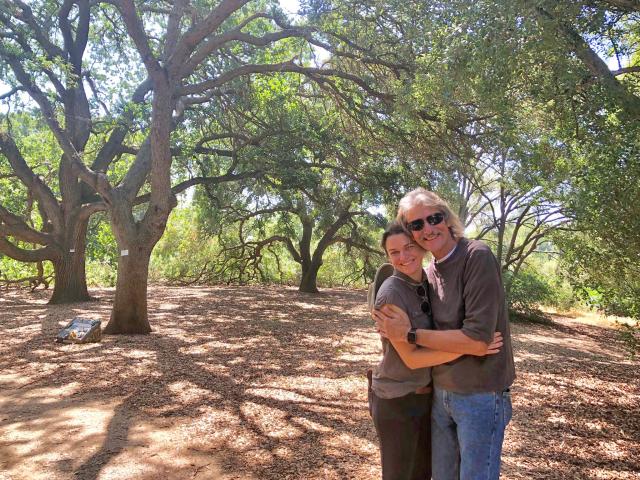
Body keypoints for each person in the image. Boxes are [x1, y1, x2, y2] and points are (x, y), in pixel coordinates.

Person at [374, 188, 516, 480]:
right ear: (411, 232)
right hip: (441, 396)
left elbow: (477, 338)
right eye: (417, 224)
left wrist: (411, 334)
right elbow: (468, 343)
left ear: (446, 217)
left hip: (480, 395)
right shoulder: (430, 271)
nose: (427, 228)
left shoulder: (477, 256)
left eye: (433, 218)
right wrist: (468, 345)